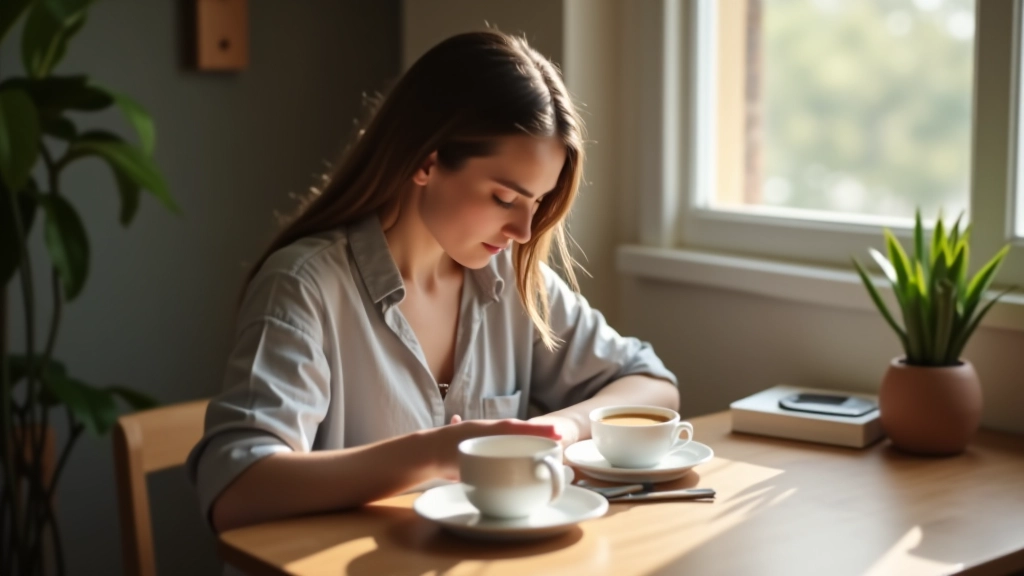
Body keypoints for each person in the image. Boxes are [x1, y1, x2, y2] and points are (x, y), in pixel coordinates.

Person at [186, 30, 679, 533]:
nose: (523, 231)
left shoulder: (510, 281)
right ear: (427, 161)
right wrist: (429, 455)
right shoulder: (304, 287)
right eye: (505, 199)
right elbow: (236, 488)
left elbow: (653, 385)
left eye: (537, 204)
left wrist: (559, 429)